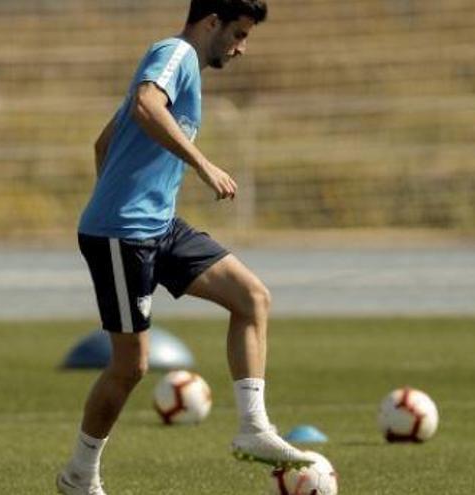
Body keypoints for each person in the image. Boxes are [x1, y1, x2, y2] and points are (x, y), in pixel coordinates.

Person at [57, 1, 314, 493]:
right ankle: (79, 475)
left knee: (251, 297)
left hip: (158, 226)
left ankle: (253, 429)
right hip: (122, 235)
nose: (240, 48)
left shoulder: (184, 68)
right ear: (211, 21)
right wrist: (201, 165)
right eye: (238, 34)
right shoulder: (174, 53)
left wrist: (127, 194)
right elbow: (146, 105)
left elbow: (102, 144)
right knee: (130, 366)